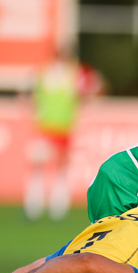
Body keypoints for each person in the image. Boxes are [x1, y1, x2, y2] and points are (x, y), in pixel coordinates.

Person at [23, 49, 104, 221]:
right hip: (56, 127)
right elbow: (95, 86)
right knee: (53, 168)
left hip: (50, 127)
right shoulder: (71, 75)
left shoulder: (45, 74)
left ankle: (41, 208)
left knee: (43, 168)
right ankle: (50, 208)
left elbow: (29, 94)